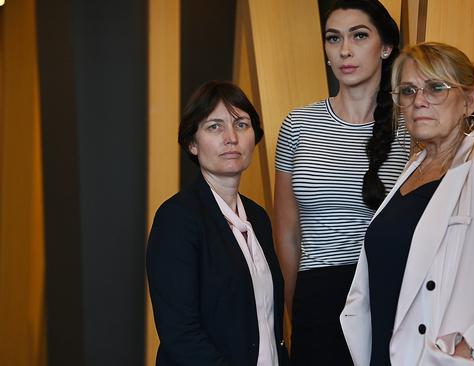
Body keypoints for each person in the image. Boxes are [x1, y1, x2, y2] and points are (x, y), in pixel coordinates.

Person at [340, 42, 474, 365]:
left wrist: (470, 348)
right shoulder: (414, 167)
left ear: (469, 100)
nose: (419, 101)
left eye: (436, 88)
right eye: (408, 91)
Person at [274, 0, 410, 364]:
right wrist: (294, 305)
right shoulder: (298, 125)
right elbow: (287, 233)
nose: (344, 50)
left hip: (389, 291)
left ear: (385, 47)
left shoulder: (411, 128)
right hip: (316, 296)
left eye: (359, 36)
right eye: (334, 38)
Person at [147, 81, 288, 366]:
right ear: (192, 143)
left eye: (241, 125)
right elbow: (180, 334)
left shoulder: (257, 217)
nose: (231, 137)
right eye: (214, 126)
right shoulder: (177, 219)